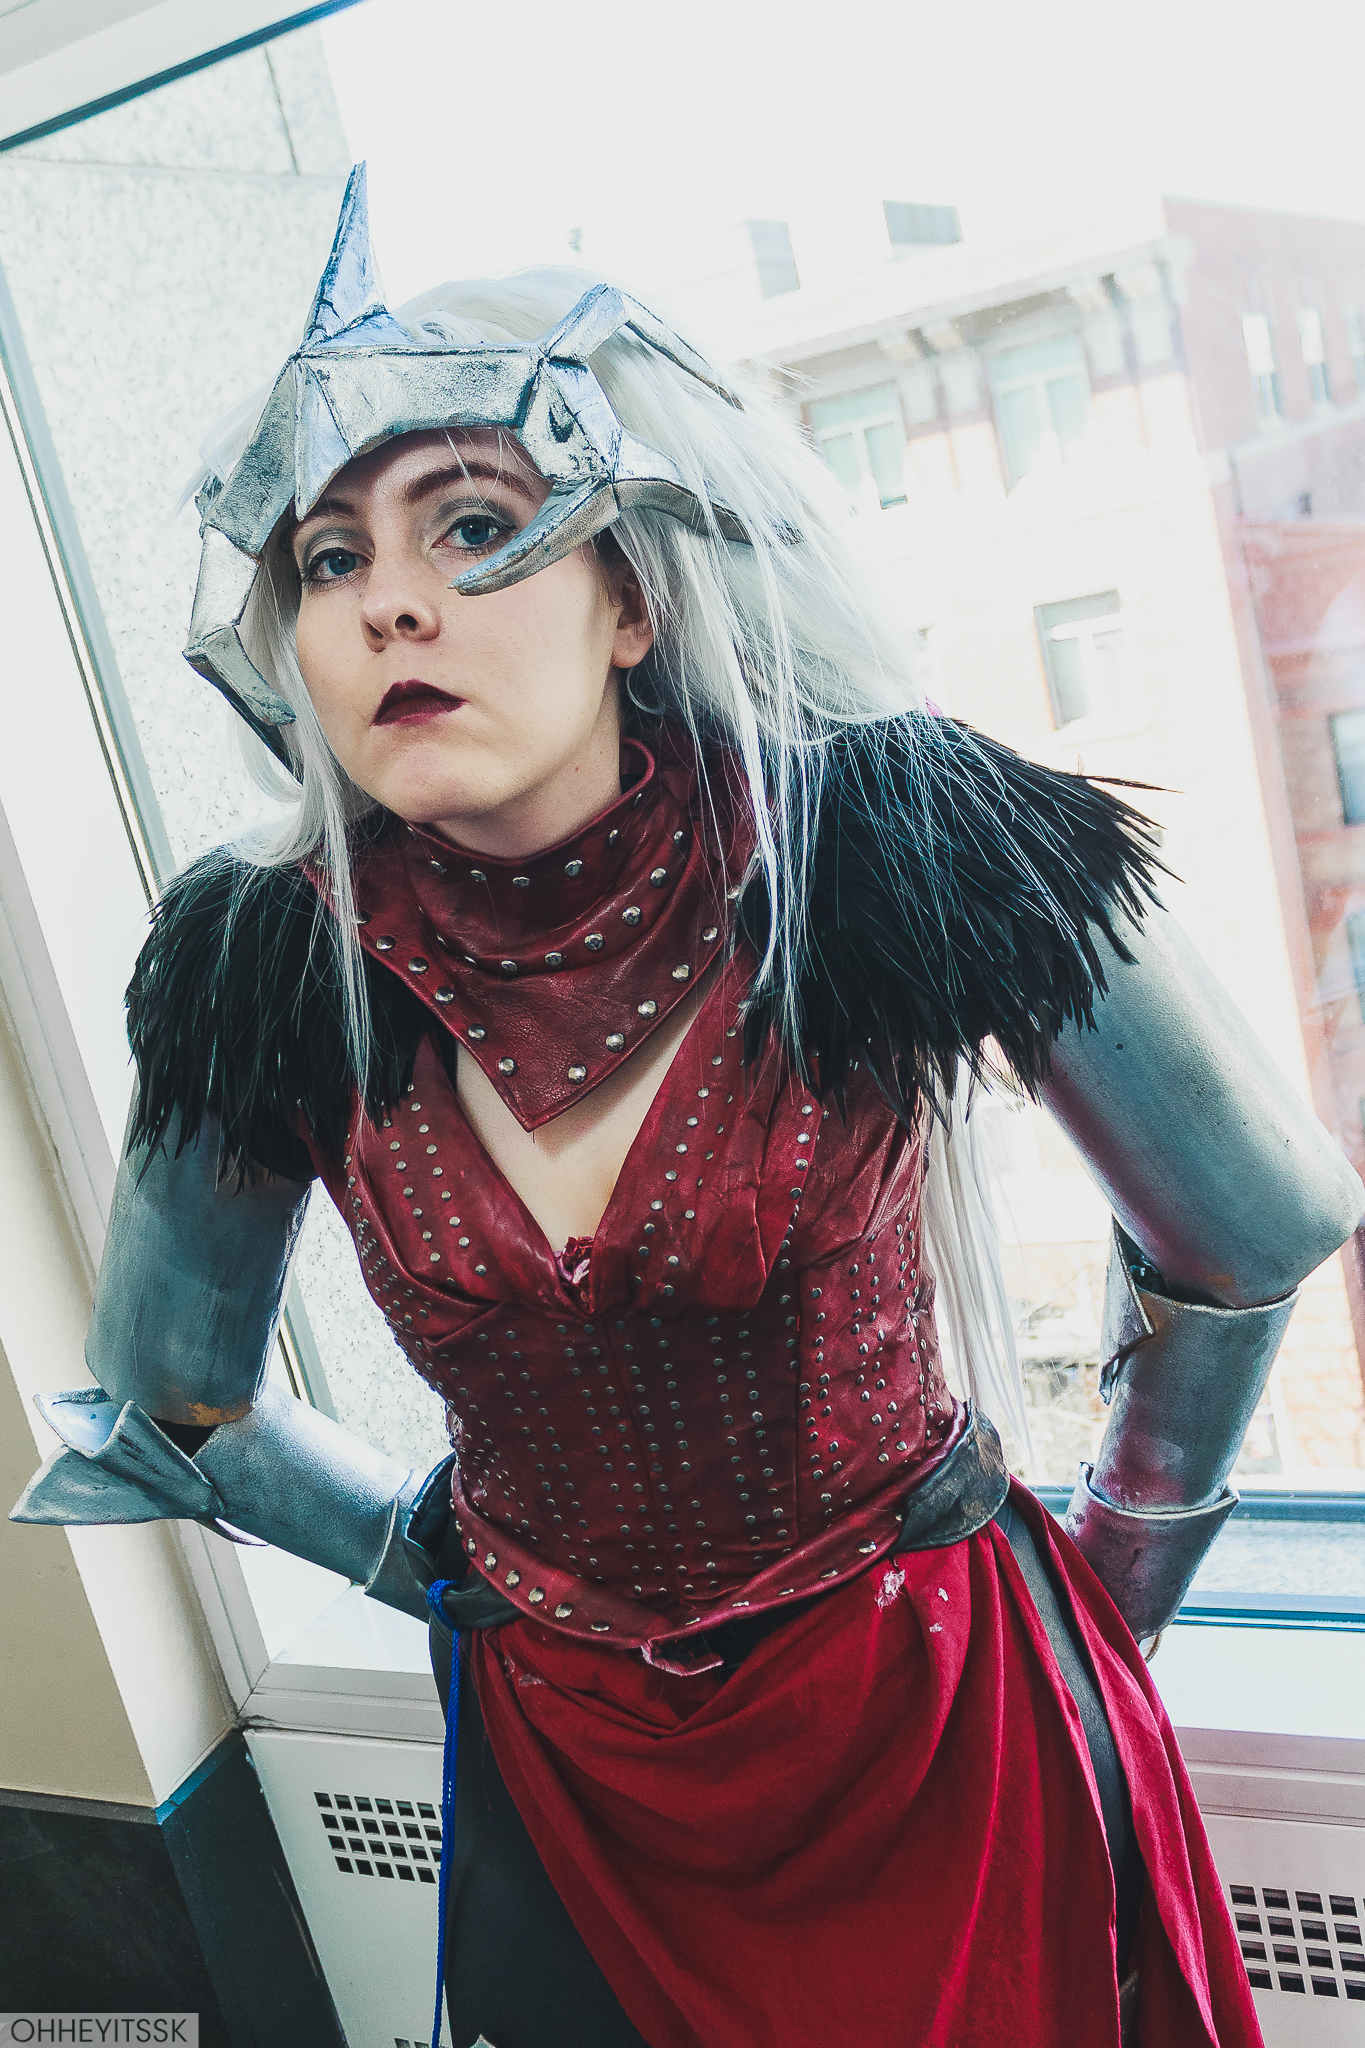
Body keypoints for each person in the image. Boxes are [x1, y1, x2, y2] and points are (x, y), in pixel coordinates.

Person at [14, 167, 1363, 2048]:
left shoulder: (899, 834)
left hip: (936, 1723)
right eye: (324, 561)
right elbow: (175, 1394)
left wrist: (1109, 1578)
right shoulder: (258, 963)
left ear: (631, 598)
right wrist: (449, 1573)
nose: (388, 601)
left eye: (471, 525)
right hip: (569, 1766)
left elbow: (1256, 1220)